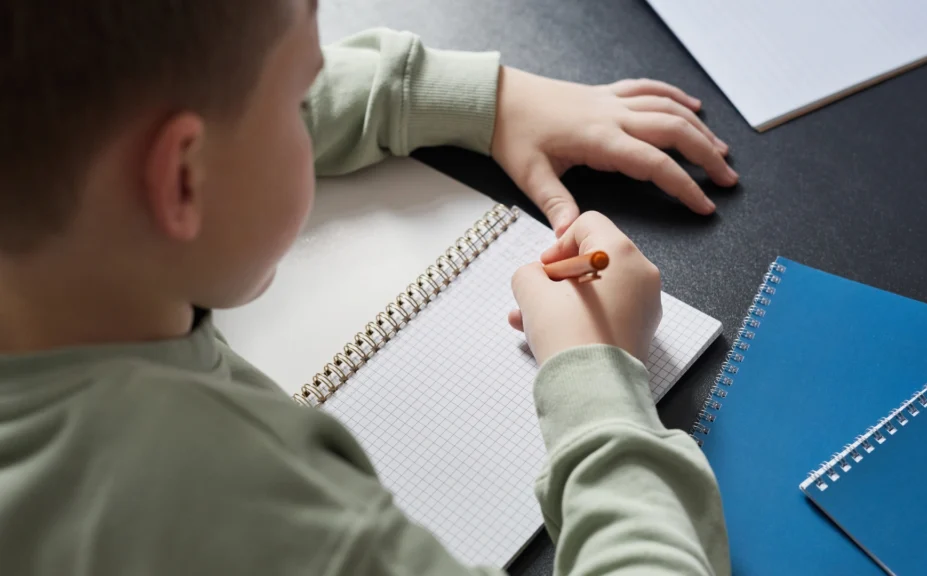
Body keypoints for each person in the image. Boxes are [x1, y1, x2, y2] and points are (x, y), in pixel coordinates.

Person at [0, 0, 733, 574]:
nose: (308, 106)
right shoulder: (237, 513)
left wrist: (483, 98)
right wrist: (599, 388)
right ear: (182, 179)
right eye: (297, 99)